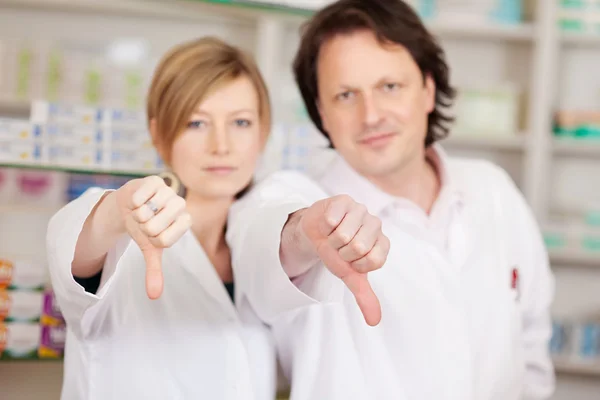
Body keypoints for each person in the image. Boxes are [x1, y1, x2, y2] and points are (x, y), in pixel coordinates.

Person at [226, 1, 556, 399]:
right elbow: (258, 245)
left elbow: (532, 341)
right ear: (321, 114)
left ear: (428, 89)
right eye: (346, 95)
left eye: (389, 87)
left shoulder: (493, 191)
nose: (371, 115)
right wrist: (305, 233)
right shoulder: (297, 197)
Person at [46, 37, 278, 400]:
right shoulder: (122, 240)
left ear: (263, 133)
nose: (222, 145)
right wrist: (115, 211)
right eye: (197, 123)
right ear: (158, 134)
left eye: (241, 122)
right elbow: (76, 240)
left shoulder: (269, 247)